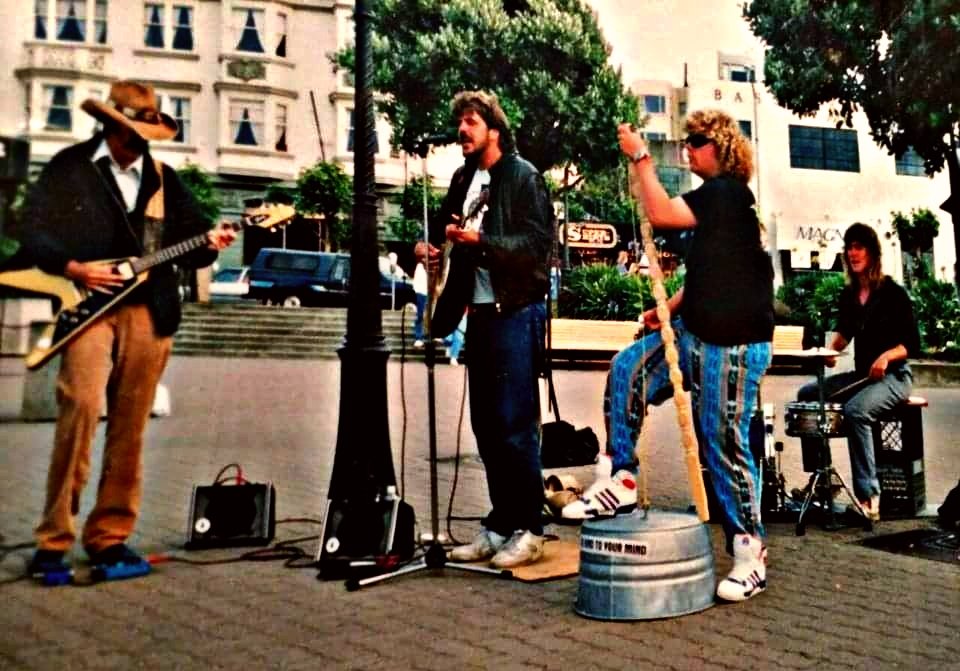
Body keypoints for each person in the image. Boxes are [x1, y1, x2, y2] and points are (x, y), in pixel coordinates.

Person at [14, 80, 236, 582]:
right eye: (132, 132)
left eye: (146, 133)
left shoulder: (162, 178)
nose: (139, 142)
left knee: (131, 426)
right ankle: (54, 538)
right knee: (82, 408)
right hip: (88, 308)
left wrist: (213, 242)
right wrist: (73, 268)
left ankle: (109, 537)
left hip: (147, 312)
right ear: (112, 126)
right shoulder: (69, 168)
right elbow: (31, 229)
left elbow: (194, 244)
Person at [563, 111, 774, 603]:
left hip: (735, 342)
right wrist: (668, 310)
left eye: (695, 142)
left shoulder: (726, 194)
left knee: (720, 438)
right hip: (696, 329)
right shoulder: (715, 209)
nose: (688, 151)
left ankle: (750, 551)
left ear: (719, 149)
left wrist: (640, 156)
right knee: (628, 369)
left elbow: (658, 213)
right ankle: (621, 475)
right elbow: (711, 275)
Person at [415, 90, 554, 569]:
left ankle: (531, 528)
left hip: (515, 311)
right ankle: (501, 523)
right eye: (459, 123)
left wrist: (482, 240)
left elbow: (537, 245)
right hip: (478, 314)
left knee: (515, 424)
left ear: (493, 128)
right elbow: (445, 237)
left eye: (471, 122)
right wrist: (430, 249)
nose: (462, 131)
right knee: (486, 425)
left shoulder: (522, 176)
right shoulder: (461, 178)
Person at [795, 223, 920, 522]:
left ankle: (868, 496)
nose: (853, 252)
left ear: (872, 253)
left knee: (856, 411)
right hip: (863, 375)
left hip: (896, 376)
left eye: (859, 246)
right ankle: (823, 482)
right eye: (849, 247)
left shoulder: (892, 293)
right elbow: (843, 337)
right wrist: (826, 353)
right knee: (808, 395)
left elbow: (912, 344)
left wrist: (886, 358)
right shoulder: (850, 295)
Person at [412, 260, 428, 348]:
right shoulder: (420, 266)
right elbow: (416, 280)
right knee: (420, 315)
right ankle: (418, 337)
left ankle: (426, 336)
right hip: (421, 292)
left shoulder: (434, 265)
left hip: (430, 292)